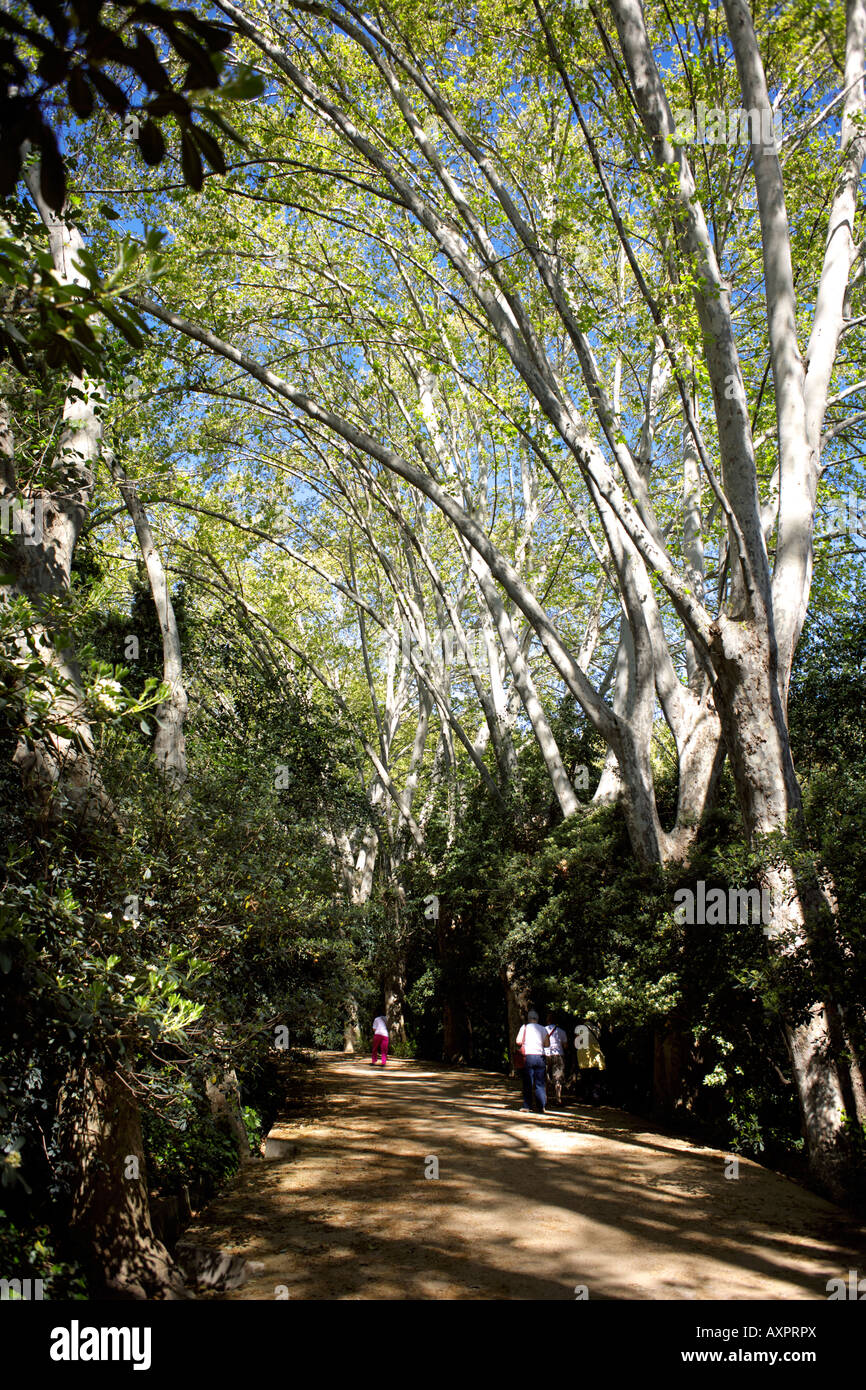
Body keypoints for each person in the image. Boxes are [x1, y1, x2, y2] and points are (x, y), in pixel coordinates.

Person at [516, 1009, 550, 1114]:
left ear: (528, 1018)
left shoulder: (524, 1027)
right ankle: (541, 1106)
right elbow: (547, 1044)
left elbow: (518, 1041)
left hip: (528, 1056)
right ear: (538, 1018)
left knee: (528, 1082)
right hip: (540, 1057)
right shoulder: (543, 1029)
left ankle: (527, 1106)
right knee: (540, 1082)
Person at [574, 1018, 606, 1102]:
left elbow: (577, 1043)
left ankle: (586, 1097)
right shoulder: (596, 1029)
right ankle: (596, 1097)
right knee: (596, 1079)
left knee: (585, 1078)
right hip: (596, 1057)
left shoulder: (580, 1028)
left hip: (583, 1058)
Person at [545, 1012, 568, 1106]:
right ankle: (558, 1099)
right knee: (558, 1077)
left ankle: (544, 1098)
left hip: (546, 1054)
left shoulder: (543, 1030)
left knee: (545, 1076)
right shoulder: (562, 1031)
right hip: (558, 1055)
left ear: (548, 1020)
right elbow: (565, 1045)